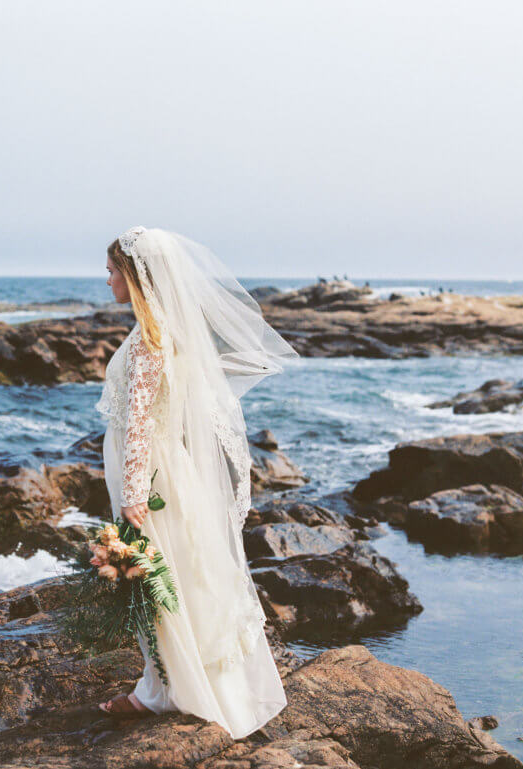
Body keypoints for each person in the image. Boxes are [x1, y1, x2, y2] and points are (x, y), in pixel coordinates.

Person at [93, 226, 300, 739]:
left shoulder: (149, 338)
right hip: (160, 466)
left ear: (136, 276)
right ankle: (163, 684)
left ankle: (163, 691)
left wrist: (134, 494)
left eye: (113, 271)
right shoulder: (158, 328)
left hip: (149, 472)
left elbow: (139, 421)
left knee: (158, 577)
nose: (107, 280)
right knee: (175, 574)